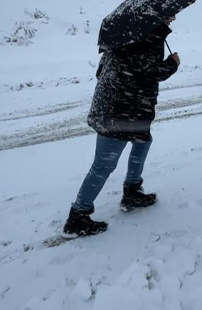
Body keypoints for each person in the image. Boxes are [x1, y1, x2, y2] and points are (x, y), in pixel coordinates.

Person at [62, 15, 181, 238]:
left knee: (143, 141)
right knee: (104, 164)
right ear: (158, 17)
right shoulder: (148, 39)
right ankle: (77, 217)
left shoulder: (125, 36)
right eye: (170, 15)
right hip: (119, 111)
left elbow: (102, 71)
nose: (173, 17)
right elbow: (148, 74)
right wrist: (171, 65)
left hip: (124, 107)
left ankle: (132, 191)